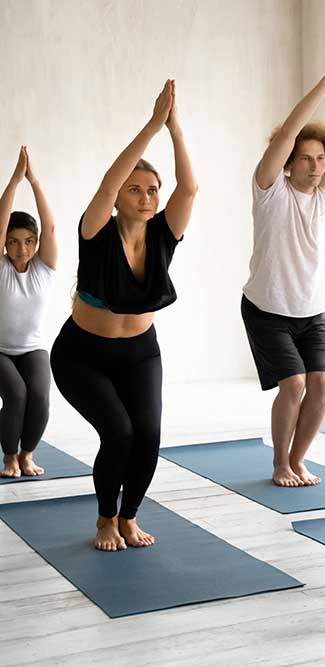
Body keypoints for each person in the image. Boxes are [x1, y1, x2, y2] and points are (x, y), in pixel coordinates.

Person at [49, 79, 197, 551]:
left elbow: (189, 187)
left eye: (152, 189)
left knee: (148, 435)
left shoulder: (163, 235)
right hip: (81, 355)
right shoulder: (96, 231)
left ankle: (129, 517)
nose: (146, 196)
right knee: (118, 432)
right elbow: (108, 182)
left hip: (139, 353)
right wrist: (152, 125)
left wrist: (175, 130)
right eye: (135, 189)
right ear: (118, 197)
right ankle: (105, 520)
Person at [240, 39, 325, 487]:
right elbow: (289, 131)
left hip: (311, 312)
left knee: (322, 386)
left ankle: (297, 459)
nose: (314, 164)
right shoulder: (270, 191)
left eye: (320, 158)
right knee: (293, 385)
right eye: (305, 159)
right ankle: (277, 464)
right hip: (267, 309)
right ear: (289, 164)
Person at [0, 146, 57, 478]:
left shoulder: (44, 268)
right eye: (13, 241)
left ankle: (26, 455)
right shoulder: (2, 268)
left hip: (32, 348)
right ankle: (8, 456)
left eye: (28, 241)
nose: (22, 248)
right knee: (17, 395)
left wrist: (35, 181)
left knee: (39, 397)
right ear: (5, 244)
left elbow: (49, 229)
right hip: (1, 351)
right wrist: (15, 180)